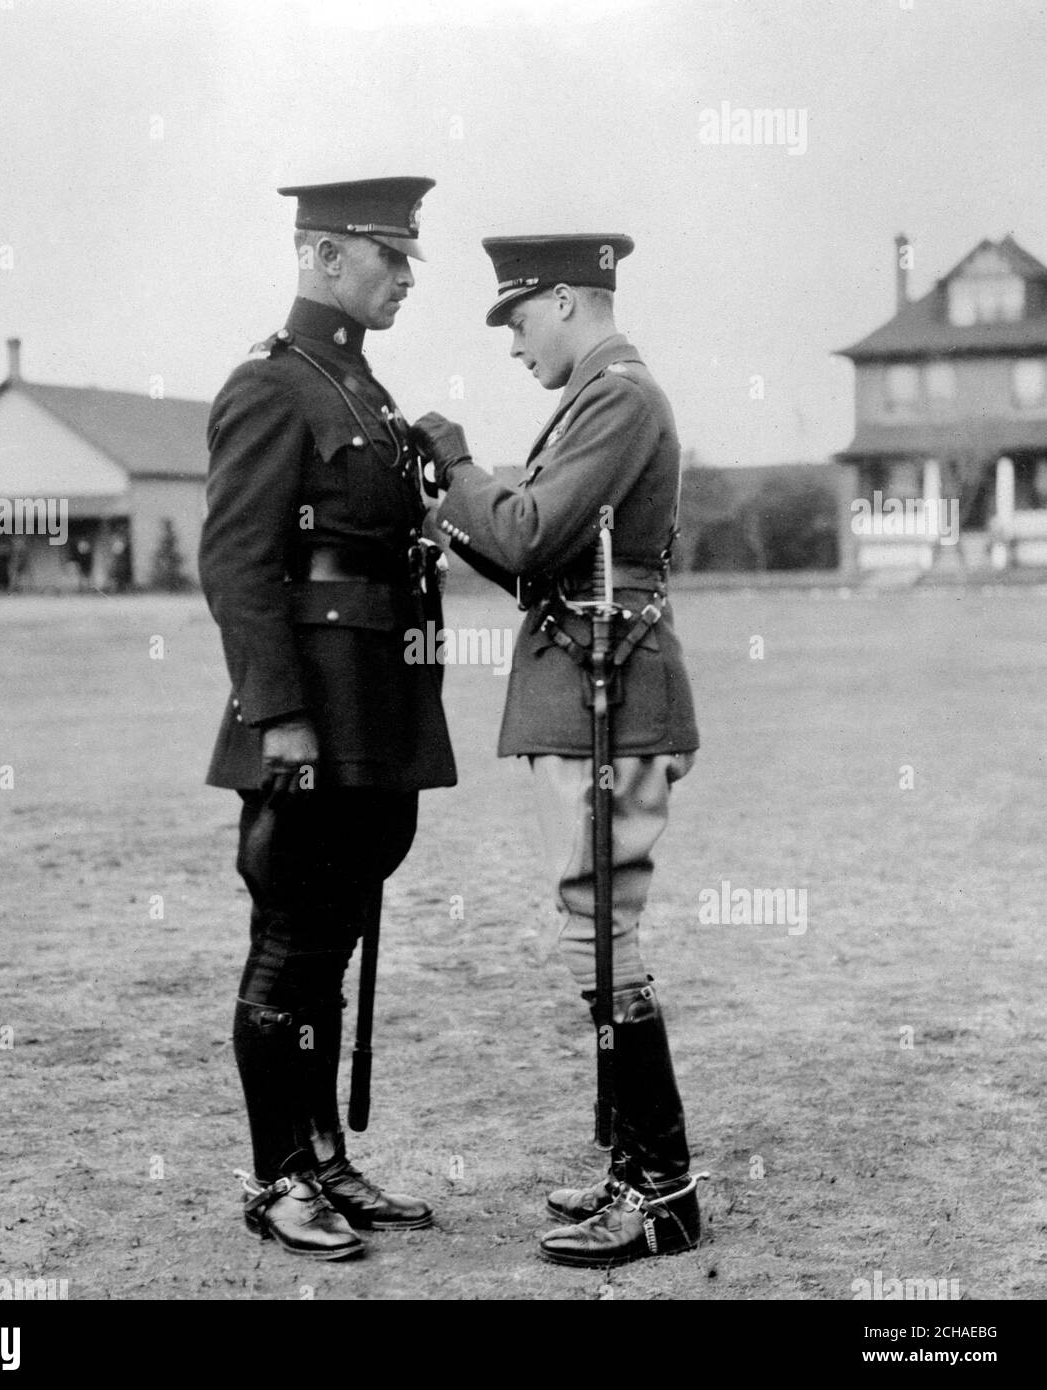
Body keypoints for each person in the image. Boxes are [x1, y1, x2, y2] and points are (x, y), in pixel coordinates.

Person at [412, 234, 705, 1267]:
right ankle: (633, 1168)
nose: (509, 341)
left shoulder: (616, 395)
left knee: (602, 936)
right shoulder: (598, 396)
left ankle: (662, 1190)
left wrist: (454, 462)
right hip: (589, 685)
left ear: (570, 302)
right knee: (594, 929)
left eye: (517, 318)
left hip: (608, 696)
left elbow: (534, 531)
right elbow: (546, 565)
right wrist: (452, 526)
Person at [199, 177, 457, 1261]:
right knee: (293, 945)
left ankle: (323, 1160)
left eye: (405, 258)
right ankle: (276, 1180)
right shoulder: (273, 384)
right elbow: (237, 564)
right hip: (313, 718)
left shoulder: (364, 389)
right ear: (320, 254)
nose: (403, 275)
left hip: (379, 714)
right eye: (385, 255)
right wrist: (281, 718)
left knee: (333, 942)